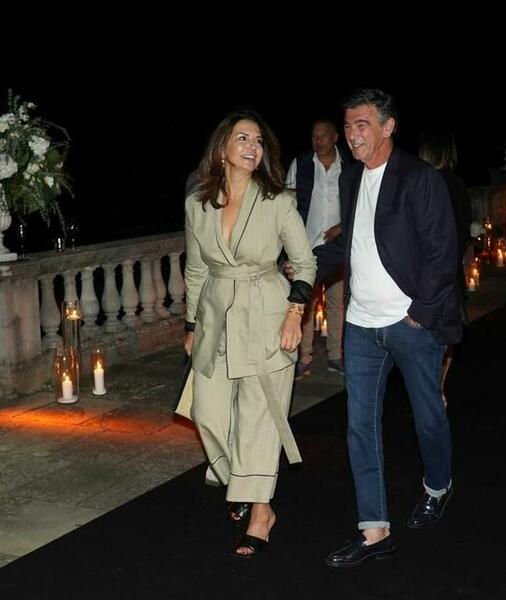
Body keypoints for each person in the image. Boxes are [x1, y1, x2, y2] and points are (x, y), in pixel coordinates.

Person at [325, 89, 463, 567]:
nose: (352, 134)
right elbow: (351, 244)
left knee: (428, 415)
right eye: (348, 126)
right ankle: (374, 530)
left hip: (410, 324)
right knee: (359, 426)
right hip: (360, 326)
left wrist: (420, 312)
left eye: (362, 124)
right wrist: (300, 266)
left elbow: (444, 252)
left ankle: (438, 486)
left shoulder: (420, 178)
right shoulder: (351, 179)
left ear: (388, 126)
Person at [178, 108, 316, 557]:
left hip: (267, 313)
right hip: (216, 315)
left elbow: (305, 262)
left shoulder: (277, 201)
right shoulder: (198, 204)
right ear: (222, 148)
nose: (252, 147)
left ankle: (261, 512)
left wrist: (294, 315)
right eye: (242, 138)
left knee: (259, 417)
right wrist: (191, 325)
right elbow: (196, 270)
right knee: (207, 413)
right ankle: (241, 479)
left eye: (258, 141)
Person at [285, 119, 348, 379]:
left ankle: (335, 356)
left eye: (323, 135)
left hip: (336, 248)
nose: (317, 140)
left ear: (335, 138)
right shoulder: (300, 164)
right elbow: (287, 204)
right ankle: (304, 358)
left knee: (336, 303)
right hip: (306, 248)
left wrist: (343, 227)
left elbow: (358, 205)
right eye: (314, 136)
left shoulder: (349, 166)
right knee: (305, 303)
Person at [418, 129, 472, 407]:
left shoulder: (426, 182)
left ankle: (429, 390)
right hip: (452, 270)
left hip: (428, 270)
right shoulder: (457, 183)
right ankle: (439, 389)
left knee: (427, 332)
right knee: (447, 333)